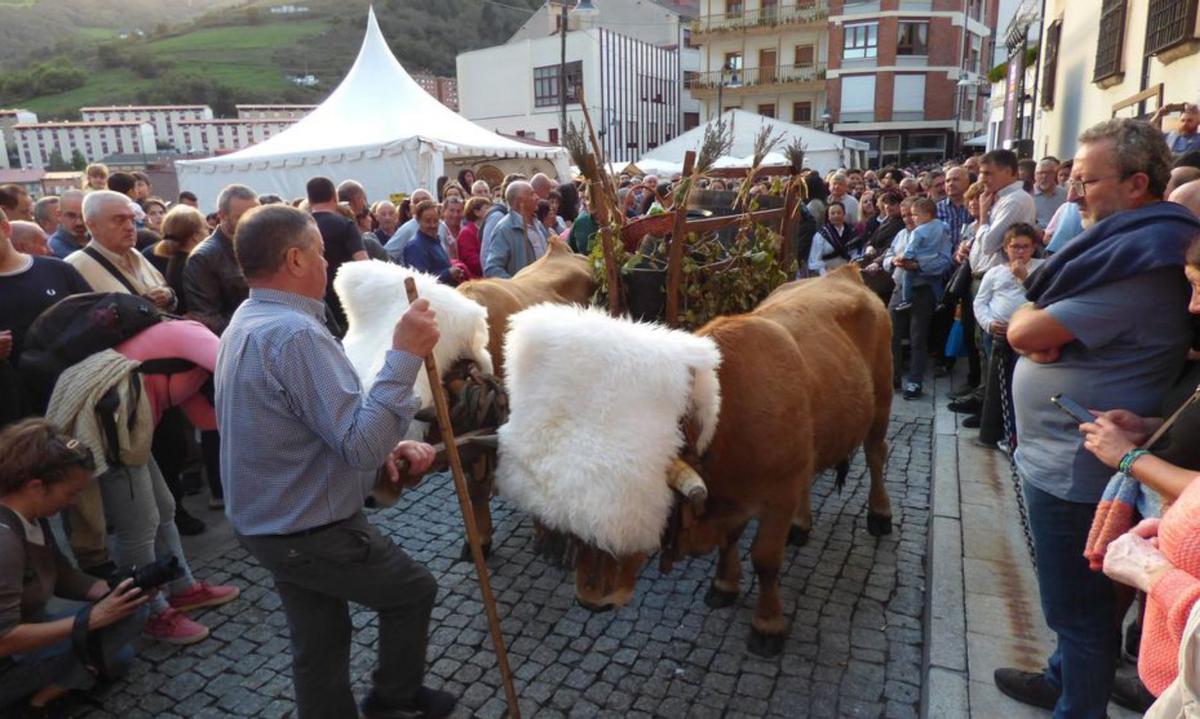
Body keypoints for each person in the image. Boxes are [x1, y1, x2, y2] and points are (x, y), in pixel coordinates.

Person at [217, 204, 454, 719]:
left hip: (271, 524)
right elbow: (357, 444)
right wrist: (404, 353)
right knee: (413, 591)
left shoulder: (248, 318)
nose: (328, 264)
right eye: (321, 253)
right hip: (307, 530)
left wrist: (382, 449)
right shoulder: (293, 333)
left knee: (320, 638)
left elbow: (305, 423)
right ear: (295, 259)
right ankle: (392, 701)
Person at [996, 119, 1200, 718]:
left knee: (1080, 613)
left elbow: (1025, 327)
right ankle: (1060, 679)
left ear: (1137, 184)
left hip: (1079, 471)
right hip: (1067, 457)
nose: (1073, 193)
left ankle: (1076, 704)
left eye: (1085, 181)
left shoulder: (1141, 263)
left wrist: (1030, 329)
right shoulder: (1128, 248)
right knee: (1076, 606)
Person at [0, 420, 149, 716]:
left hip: (26, 637)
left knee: (121, 649)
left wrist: (117, 591)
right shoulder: (4, 541)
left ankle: (62, 681)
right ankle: (37, 703)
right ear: (36, 487)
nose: (74, 502)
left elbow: (62, 575)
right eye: (71, 493)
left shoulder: (30, 514)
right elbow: (3, 639)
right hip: (8, 658)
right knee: (110, 650)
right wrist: (92, 619)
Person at [0, 210, 91, 424]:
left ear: (5, 229)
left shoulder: (58, 270)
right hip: (12, 417)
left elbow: (97, 320)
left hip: (74, 399)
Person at [972, 223, 1043, 445]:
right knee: (995, 382)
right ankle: (994, 426)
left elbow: (1046, 298)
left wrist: (1024, 278)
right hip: (997, 335)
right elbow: (980, 302)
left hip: (1027, 336)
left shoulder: (1042, 269)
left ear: (1033, 248)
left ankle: (1014, 432)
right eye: (1015, 247)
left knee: (1018, 385)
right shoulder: (995, 272)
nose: (1019, 252)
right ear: (1006, 248)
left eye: (1025, 247)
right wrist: (989, 323)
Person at [886, 197, 951, 400]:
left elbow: (945, 261)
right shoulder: (901, 234)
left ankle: (915, 382)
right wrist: (893, 261)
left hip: (923, 290)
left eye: (912, 215)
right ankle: (892, 377)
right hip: (899, 288)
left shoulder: (937, 232)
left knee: (918, 337)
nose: (908, 219)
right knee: (891, 333)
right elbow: (888, 254)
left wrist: (917, 265)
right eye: (905, 215)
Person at [64, 192, 175, 311]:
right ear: (92, 226)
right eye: (119, 220)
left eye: (132, 219)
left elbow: (166, 292)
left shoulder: (136, 255)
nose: (130, 227)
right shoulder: (74, 267)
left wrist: (169, 296)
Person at [306, 177, 368, 333]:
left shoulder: (301, 227)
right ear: (335, 197)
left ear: (310, 200)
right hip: (344, 302)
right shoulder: (346, 225)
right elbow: (364, 264)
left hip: (310, 302)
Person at [893, 197, 947, 312]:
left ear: (927, 215)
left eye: (914, 215)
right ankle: (940, 301)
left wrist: (904, 257)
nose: (912, 218)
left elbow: (911, 248)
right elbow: (947, 227)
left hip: (920, 260)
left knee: (907, 276)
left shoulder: (918, 231)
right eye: (905, 216)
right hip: (933, 256)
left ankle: (906, 300)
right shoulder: (939, 224)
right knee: (935, 282)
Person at [484, 180, 540, 279]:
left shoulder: (537, 223)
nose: (537, 197)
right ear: (520, 202)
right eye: (532, 194)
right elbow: (492, 269)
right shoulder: (504, 229)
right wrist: (515, 285)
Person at [402, 200, 463, 285]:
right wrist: (448, 273)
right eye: (428, 221)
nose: (432, 225)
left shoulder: (434, 241)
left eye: (435, 221)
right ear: (418, 220)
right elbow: (420, 281)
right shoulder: (414, 247)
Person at [384, 189, 454, 262]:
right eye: (416, 202)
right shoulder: (407, 229)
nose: (421, 204)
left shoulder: (442, 226)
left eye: (425, 200)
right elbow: (387, 254)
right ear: (411, 208)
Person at [807, 201, 858, 275]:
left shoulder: (851, 232)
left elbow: (856, 253)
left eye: (839, 213)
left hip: (849, 272)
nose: (836, 216)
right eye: (832, 213)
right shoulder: (821, 235)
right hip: (828, 273)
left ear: (844, 214)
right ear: (828, 216)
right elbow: (814, 260)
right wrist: (825, 273)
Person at [47, 191, 87, 260]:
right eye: (71, 216)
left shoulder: (99, 241)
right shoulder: (53, 250)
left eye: (83, 215)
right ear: (59, 215)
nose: (79, 223)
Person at [457, 196, 489, 279]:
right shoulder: (467, 232)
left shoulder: (485, 229)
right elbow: (471, 261)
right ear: (476, 212)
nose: (490, 211)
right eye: (487, 208)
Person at [1033, 158, 1068, 231]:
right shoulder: (1028, 195)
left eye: (1049, 173)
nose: (1044, 176)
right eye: (1040, 173)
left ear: (1055, 175)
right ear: (1035, 176)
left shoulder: (1064, 194)